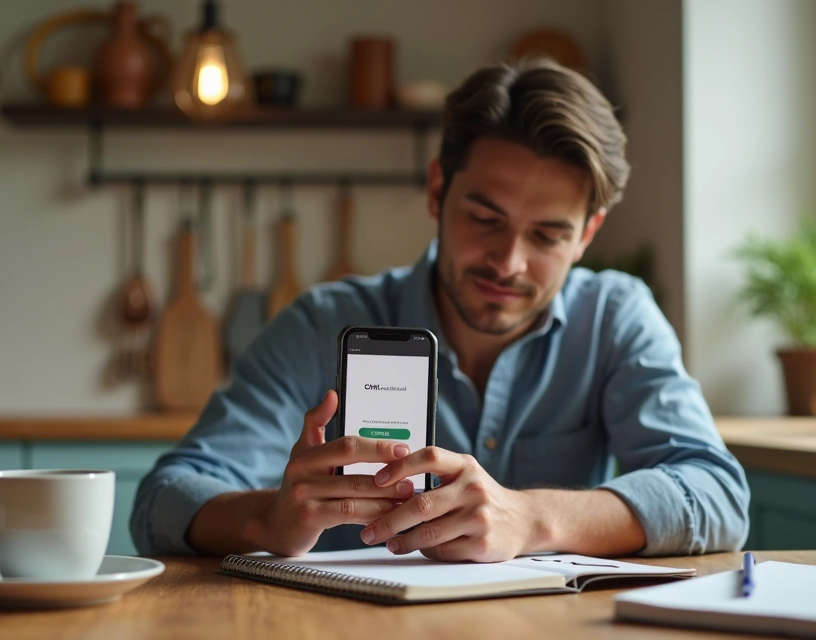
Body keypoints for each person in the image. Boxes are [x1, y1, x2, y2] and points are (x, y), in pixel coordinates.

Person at [132, 58, 749, 562]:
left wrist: (531, 518)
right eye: (485, 220)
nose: (509, 262)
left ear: (587, 235)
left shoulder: (615, 317)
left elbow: (717, 494)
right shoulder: (321, 323)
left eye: (548, 236)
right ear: (436, 191)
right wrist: (264, 521)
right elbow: (162, 500)